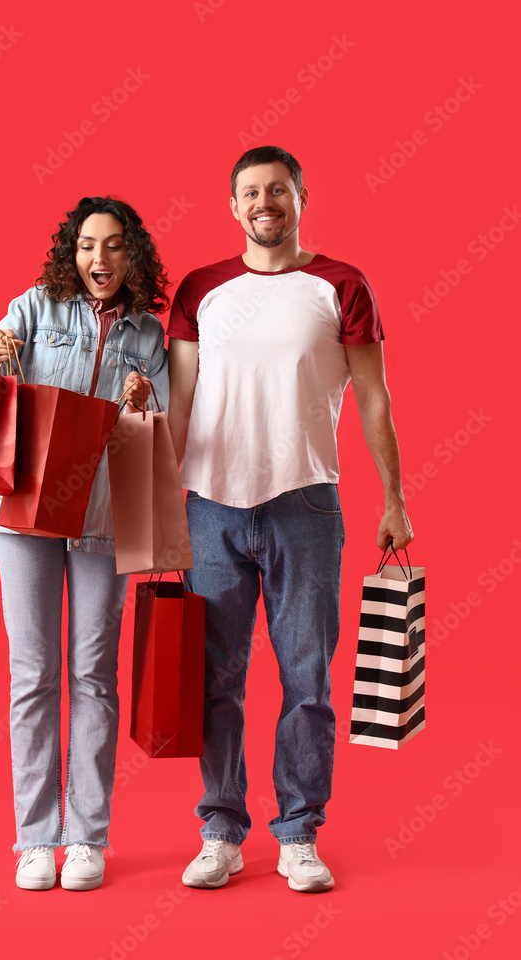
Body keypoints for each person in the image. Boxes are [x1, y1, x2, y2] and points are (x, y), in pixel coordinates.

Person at [167, 145, 413, 893]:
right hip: (209, 504)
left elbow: (374, 397)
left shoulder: (339, 285)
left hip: (305, 501)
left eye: (277, 190)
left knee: (306, 678)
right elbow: (177, 402)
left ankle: (299, 834)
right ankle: (220, 831)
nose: (263, 202)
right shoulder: (200, 289)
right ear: (231, 206)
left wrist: (394, 498)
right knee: (215, 680)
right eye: (249, 193)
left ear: (302, 196)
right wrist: (154, 509)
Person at [0, 196, 169, 891]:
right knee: (33, 674)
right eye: (87, 246)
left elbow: (167, 416)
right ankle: (35, 838)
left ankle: (86, 838)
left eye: (113, 247)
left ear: (131, 255)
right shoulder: (33, 307)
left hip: (104, 514)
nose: (99, 260)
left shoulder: (149, 331)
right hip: (23, 511)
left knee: (92, 675)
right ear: (69, 250)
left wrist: (147, 398)